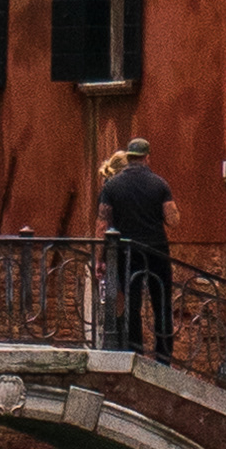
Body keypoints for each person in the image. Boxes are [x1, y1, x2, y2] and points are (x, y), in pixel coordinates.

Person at [98, 136, 174, 362]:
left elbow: (102, 225)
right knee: (162, 303)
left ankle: (135, 351)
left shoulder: (112, 186)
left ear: (129, 157)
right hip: (157, 251)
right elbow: (173, 220)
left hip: (127, 251)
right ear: (147, 157)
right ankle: (164, 356)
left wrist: (100, 258)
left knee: (132, 303)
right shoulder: (160, 184)